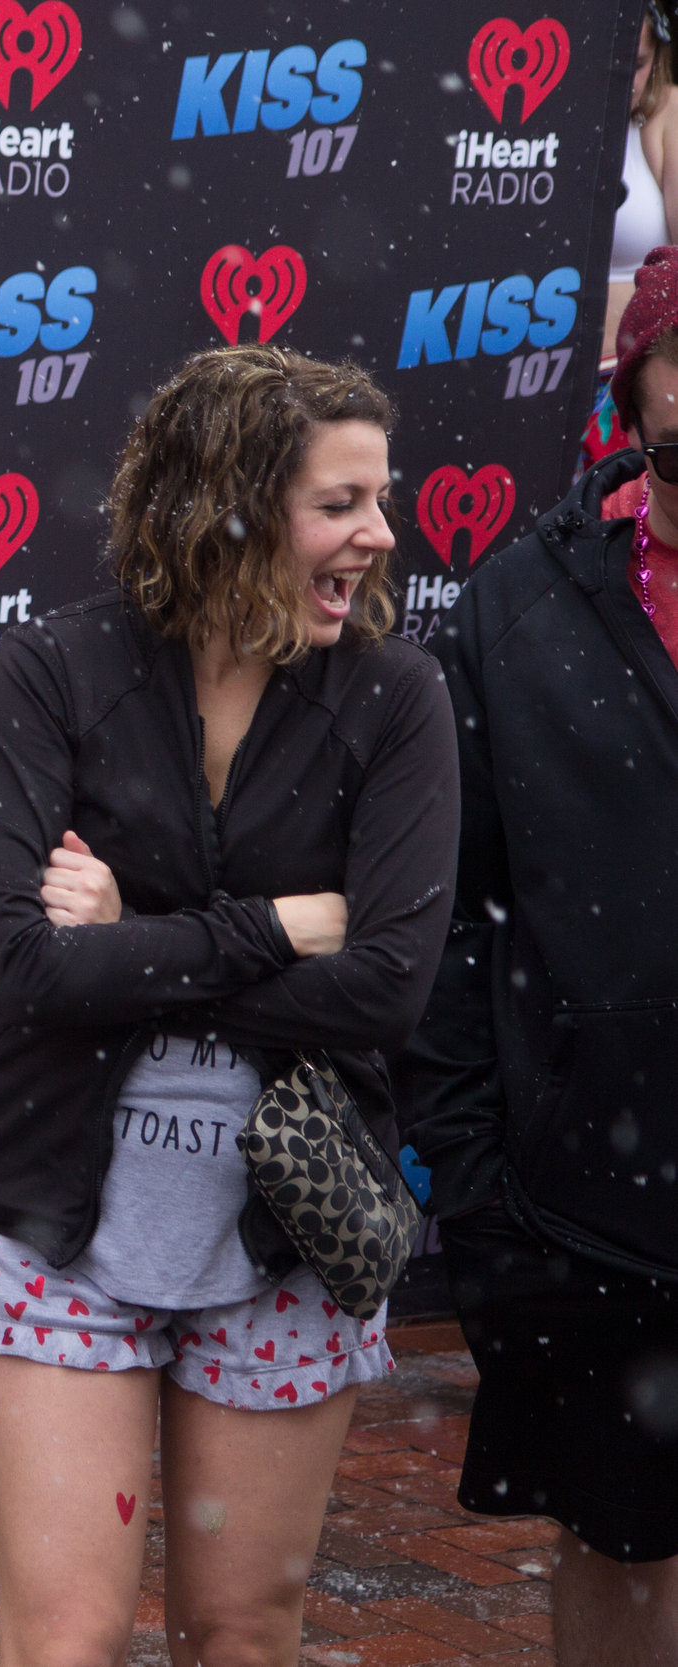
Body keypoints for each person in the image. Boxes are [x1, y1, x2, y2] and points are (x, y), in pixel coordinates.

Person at [0, 344, 459, 1667]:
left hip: (290, 1232)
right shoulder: (53, 669)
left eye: (379, 498)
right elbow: (35, 969)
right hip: (55, 1213)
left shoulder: (398, 697)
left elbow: (391, 985)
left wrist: (140, 941)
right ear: (228, 506)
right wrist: (277, 925)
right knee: (65, 1635)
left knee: (240, 1630)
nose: (379, 533)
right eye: (339, 503)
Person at [399, 247, 678, 1665]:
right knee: (617, 1543)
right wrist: (480, 1191)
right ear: (638, 386)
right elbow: (455, 917)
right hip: (596, 1202)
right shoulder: (517, 604)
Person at [586, 1, 678, 464]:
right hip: (538, 379)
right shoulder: (540, 127)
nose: (626, 81)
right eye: (610, 64)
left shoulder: (666, 113)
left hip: (627, 383)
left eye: (636, 64)